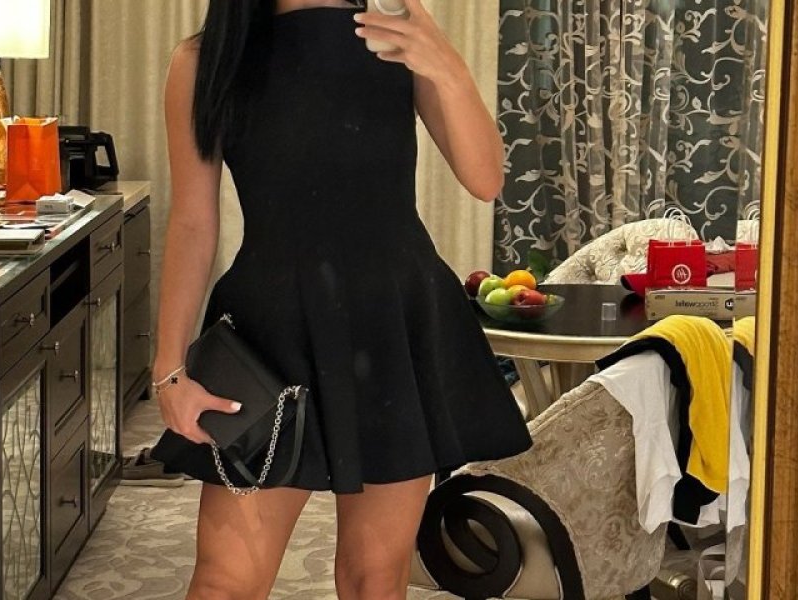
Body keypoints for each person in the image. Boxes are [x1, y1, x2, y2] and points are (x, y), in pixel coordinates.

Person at [151, 0, 532, 597]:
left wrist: (447, 65)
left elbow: (485, 179)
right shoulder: (204, 59)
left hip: (392, 324)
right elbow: (193, 222)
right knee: (224, 582)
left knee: (374, 579)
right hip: (268, 335)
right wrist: (169, 369)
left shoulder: (397, 36)